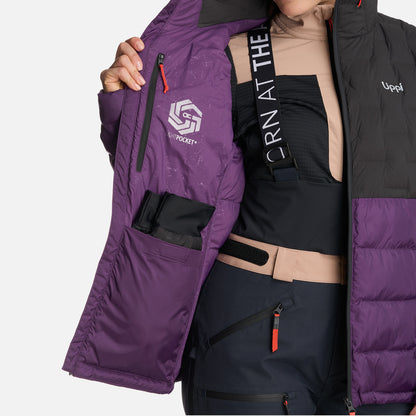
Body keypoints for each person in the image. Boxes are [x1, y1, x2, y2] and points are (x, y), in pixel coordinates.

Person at [65, 0, 416, 414]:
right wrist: (129, 107)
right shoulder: (222, 51)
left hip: (385, 339)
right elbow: (175, 175)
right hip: (249, 326)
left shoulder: (406, 51)